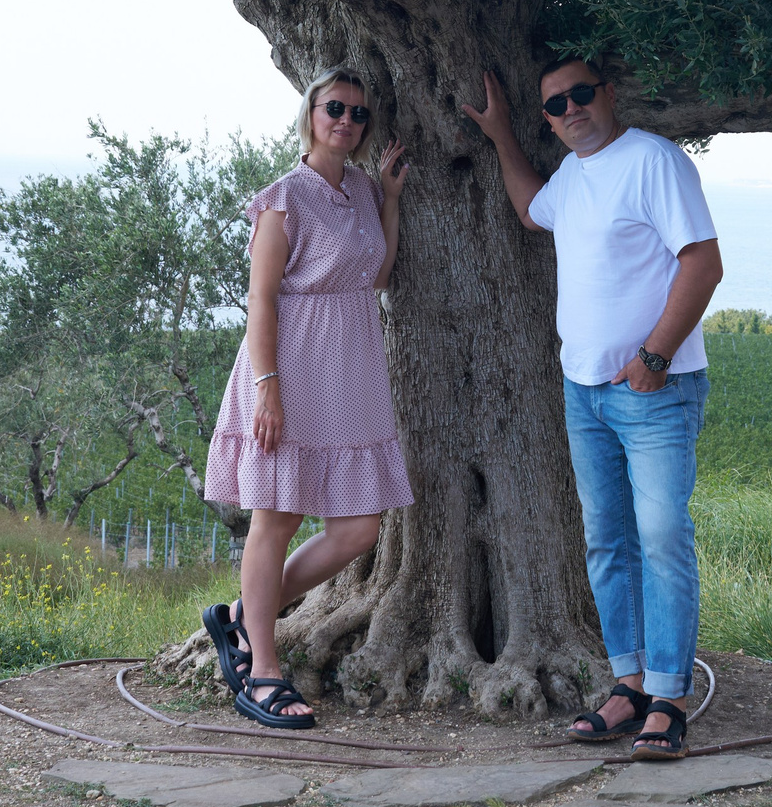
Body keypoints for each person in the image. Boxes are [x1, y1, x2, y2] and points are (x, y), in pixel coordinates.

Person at [461, 58, 722, 760]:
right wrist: (499, 135)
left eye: (581, 94)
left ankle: (669, 698)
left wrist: (656, 356)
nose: (570, 108)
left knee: (663, 536)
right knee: (608, 541)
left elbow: (703, 262)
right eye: (555, 105)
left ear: (609, 92)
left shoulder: (653, 161)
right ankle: (628, 684)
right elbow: (528, 207)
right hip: (583, 393)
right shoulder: (573, 179)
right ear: (547, 118)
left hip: (655, 390)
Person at [201, 68, 412, 728]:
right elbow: (261, 300)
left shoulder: (361, 188)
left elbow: (376, 274)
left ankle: (239, 616)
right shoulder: (283, 199)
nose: (346, 120)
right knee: (279, 519)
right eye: (334, 109)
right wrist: (268, 390)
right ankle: (262, 671)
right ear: (310, 115)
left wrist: (393, 202)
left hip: (350, 375)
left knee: (359, 527)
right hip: (290, 369)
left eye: (358, 113)